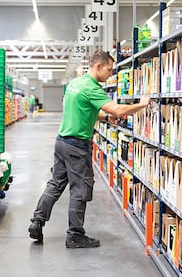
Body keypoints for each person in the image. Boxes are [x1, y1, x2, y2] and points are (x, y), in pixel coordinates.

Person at [28, 50, 151, 248]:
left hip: (62, 141)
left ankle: (37, 221)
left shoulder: (75, 84)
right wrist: (141, 105)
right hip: (77, 145)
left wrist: (103, 117)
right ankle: (75, 235)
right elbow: (118, 109)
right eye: (109, 70)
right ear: (98, 66)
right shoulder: (93, 87)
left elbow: (82, 111)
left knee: (56, 184)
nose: (110, 74)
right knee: (80, 190)